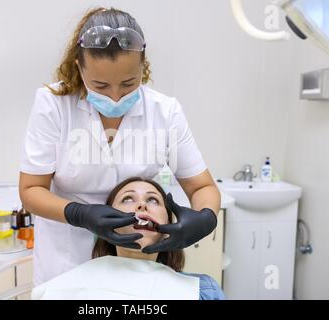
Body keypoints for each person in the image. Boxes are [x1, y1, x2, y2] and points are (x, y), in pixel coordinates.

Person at [19, 7, 221, 287]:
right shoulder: (53, 105)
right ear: (79, 67)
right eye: (100, 85)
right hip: (66, 259)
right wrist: (80, 214)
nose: (115, 97)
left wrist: (205, 219)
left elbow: (202, 187)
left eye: (128, 84)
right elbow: (31, 190)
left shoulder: (165, 112)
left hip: (137, 261)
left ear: (142, 66)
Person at [31, 177, 225, 300]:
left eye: (152, 200)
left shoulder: (202, 291)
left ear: (169, 225)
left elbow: (203, 185)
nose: (141, 205)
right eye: (127, 199)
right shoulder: (66, 289)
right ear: (104, 222)